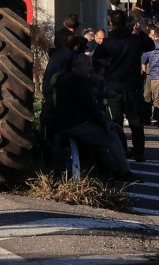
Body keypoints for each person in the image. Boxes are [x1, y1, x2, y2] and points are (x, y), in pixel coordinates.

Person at [52, 53, 136, 181]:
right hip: (74, 124)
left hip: (66, 122)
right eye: (88, 65)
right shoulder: (78, 80)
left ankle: (108, 169)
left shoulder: (66, 78)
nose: (90, 68)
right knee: (111, 137)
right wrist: (105, 124)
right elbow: (90, 107)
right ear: (78, 65)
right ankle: (124, 171)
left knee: (100, 138)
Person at [93, 9, 153, 162]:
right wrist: (139, 32)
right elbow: (150, 45)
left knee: (116, 122)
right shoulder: (135, 40)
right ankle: (139, 152)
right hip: (132, 86)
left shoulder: (107, 44)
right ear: (126, 23)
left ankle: (121, 150)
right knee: (135, 121)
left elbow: (96, 64)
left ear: (111, 24)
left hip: (113, 87)